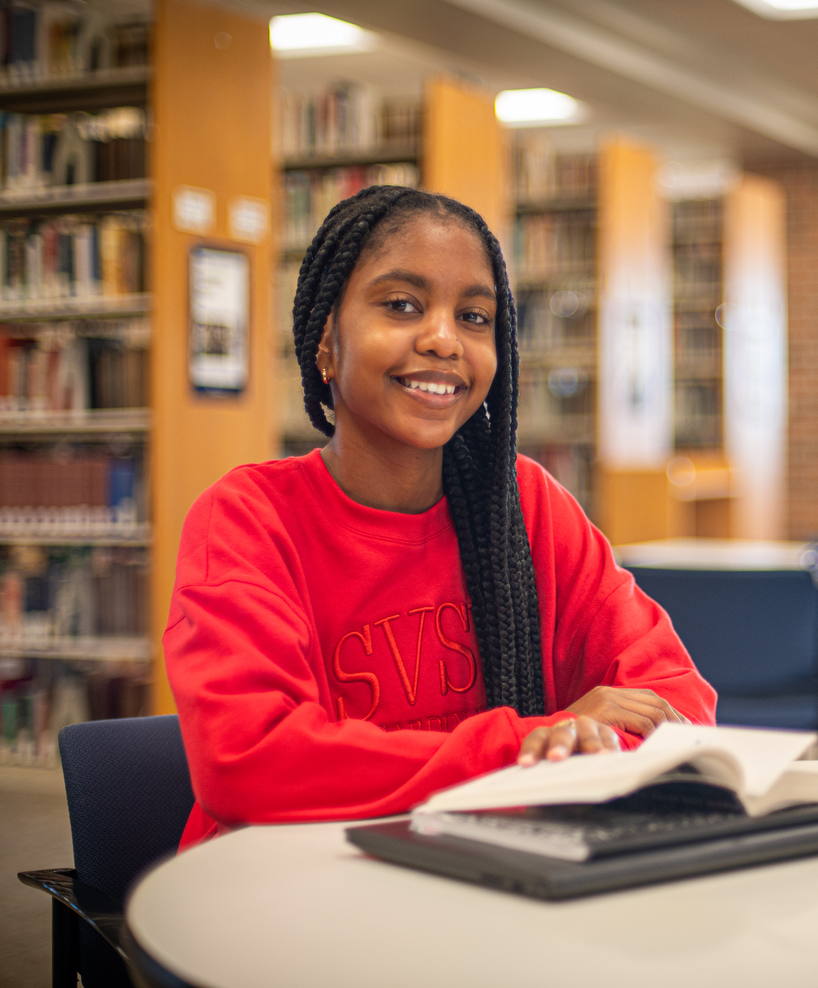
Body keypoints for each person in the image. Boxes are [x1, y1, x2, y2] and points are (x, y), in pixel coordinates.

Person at [163, 186, 717, 848]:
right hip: (291, 896)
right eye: (401, 305)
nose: (443, 339)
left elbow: (674, 700)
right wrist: (529, 747)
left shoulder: (526, 508)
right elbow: (249, 762)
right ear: (325, 344)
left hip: (484, 879)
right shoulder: (250, 521)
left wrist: (569, 747)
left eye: (475, 317)